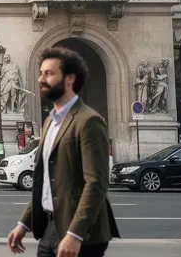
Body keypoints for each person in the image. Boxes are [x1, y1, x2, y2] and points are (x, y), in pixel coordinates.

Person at [7, 47, 119, 257]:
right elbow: (46, 182)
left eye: (49, 73)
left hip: (80, 234)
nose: (42, 79)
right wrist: (24, 223)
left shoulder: (89, 121)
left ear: (69, 79)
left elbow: (96, 183)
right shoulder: (50, 121)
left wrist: (75, 234)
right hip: (50, 228)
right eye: (41, 73)